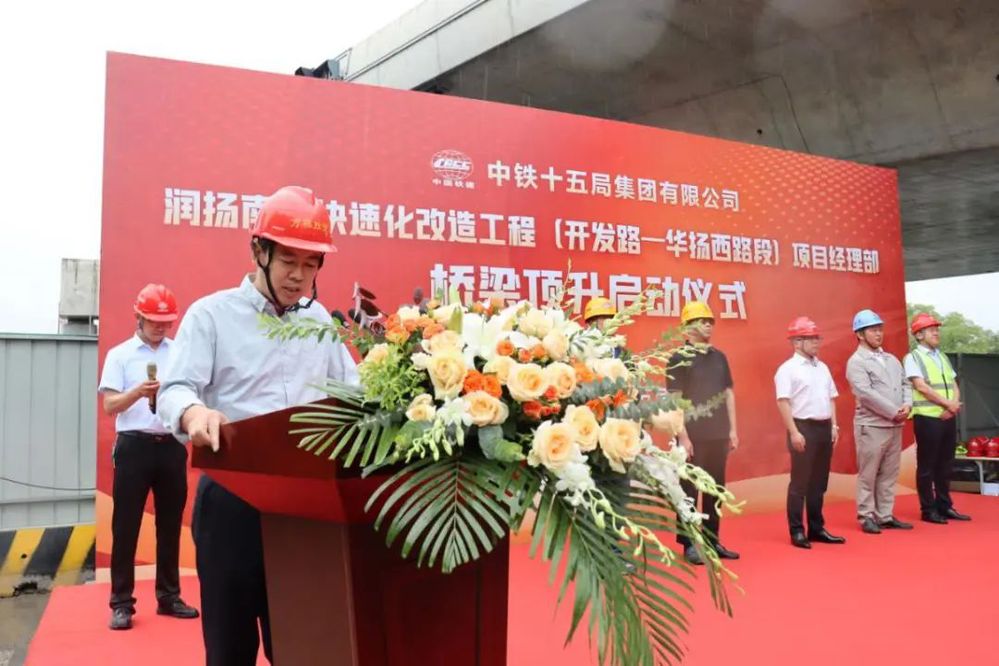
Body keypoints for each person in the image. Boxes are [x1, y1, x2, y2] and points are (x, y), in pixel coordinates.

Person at [158, 186, 359, 665]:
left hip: (304, 504)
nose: (299, 276)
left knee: (304, 645)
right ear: (258, 251)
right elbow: (175, 387)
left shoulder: (320, 322)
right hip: (232, 498)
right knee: (230, 647)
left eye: (311, 264)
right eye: (288, 260)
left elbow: (353, 390)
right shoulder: (212, 315)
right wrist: (195, 413)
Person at [98, 283, 199, 630]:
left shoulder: (179, 353)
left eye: (166, 322)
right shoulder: (121, 355)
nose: (161, 327)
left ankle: (169, 596)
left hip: (171, 445)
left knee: (170, 525)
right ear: (138, 317)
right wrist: (138, 392)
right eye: (155, 321)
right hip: (134, 446)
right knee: (125, 526)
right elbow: (110, 405)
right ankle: (121, 603)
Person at [669, 301, 740, 564]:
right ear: (688, 327)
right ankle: (688, 543)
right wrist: (683, 436)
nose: (709, 325)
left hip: (718, 434)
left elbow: (728, 394)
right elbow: (674, 400)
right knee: (688, 490)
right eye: (703, 321)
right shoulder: (678, 358)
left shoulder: (719, 357)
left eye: (711, 321)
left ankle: (712, 541)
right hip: (692, 436)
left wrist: (732, 429)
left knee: (715, 490)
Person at [774, 316, 846, 549]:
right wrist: (794, 432)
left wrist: (834, 425)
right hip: (802, 427)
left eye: (817, 337)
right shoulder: (787, 369)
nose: (817, 342)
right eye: (811, 338)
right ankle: (797, 531)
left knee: (819, 483)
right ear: (797, 342)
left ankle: (817, 528)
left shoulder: (822, 367)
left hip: (824, 427)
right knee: (800, 483)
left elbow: (831, 397)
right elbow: (783, 402)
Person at [844, 309, 913, 534]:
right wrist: (893, 411)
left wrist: (907, 405)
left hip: (895, 425)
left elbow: (905, 384)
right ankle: (866, 515)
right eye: (873, 330)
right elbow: (865, 394)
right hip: (872, 426)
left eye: (880, 329)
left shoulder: (891, 359)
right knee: (868, 474)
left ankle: (885, 515)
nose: (878, 334)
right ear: (860, 334)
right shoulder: (856, 362)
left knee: (889, 473)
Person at [903, 313, 970, 524]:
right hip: (928, 418)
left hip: (948, 416)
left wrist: (953, 405)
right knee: (927, 466)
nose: (936, 333)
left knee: (945, 464)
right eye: (931, 329)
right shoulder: (913, 357)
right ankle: (928, 509)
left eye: (936, 329)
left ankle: (945, 505)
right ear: (919, 335)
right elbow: (921, 386)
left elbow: (953, 383)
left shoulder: (942, 357)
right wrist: (948, 404)